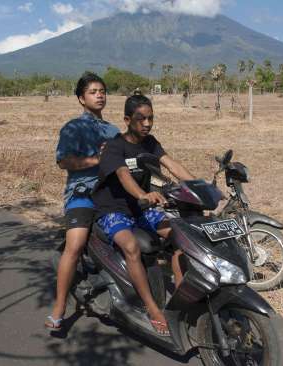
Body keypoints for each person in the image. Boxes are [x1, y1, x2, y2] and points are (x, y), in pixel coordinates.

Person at [92, 94, 194, 335]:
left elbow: (173, 165)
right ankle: (153, 308)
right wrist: (142, 194)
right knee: (130, 247)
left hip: (140, 208)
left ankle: (181, 298)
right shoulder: (115, 147)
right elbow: (123, 176)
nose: (147, 124)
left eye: (150, 118)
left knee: (183, 237)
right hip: (113, 209)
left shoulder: (150, 142)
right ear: (127, 120)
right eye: (141, 119)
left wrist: (200, 186)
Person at [46, 73, 120, 330]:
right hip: (83, 193)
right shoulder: (73, 128)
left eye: (102, 91)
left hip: (112, 194)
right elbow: (63, 162)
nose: (99, 95)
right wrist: (96, 161)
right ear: (81, 98)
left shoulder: (114, 130)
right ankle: (60, 306)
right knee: (75, 245)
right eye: (93, 91)